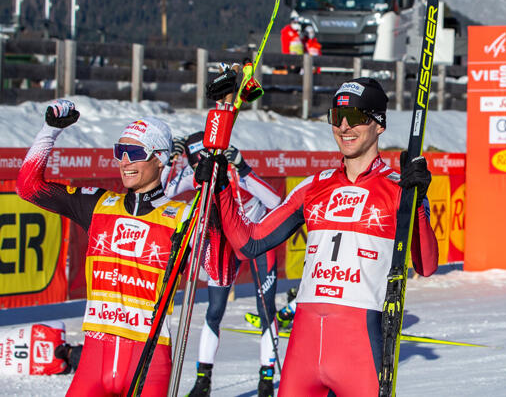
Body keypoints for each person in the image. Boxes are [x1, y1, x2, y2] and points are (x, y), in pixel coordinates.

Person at [196, 77, 439, 395]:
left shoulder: (398, 187)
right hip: (304, 348)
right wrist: (221, 189)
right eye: (337, 118)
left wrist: (417, 201)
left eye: (356, 118)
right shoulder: (313, 187)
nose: (344, 128)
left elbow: (427, 265)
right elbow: (249, 242)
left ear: (379, 125)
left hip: (360, 347)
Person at [16, 101, 195, 396]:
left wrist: (217, 194)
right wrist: (50, 131)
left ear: (160, 158)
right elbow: (28, 188)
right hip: (94, 361)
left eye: (135, 153)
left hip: (148, 362)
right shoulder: (98, 204)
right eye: (119, 152)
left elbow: (222, 272)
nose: (124, 161)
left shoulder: (183, 216)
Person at [164, 132, 282, 397]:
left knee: (266, 311)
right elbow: (164, 191)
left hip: (255, 241)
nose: (200, 172)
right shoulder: (193, 172)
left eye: (202, 164)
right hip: (224, 244)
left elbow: (275, 202)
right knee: (214, 310)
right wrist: (173, 159)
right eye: (194, 166)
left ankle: (266, 381)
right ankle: (203, 381)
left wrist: (243, 167)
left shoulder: (233, 173)